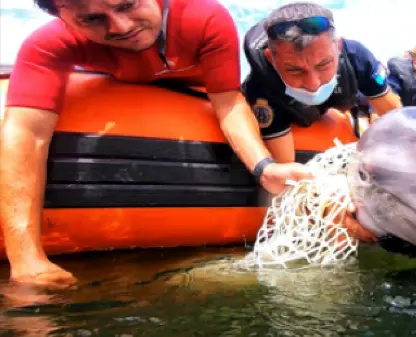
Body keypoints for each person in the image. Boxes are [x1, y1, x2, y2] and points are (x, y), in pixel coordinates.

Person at [0, 0, 313, 289]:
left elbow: (227, 102)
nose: (120, 27)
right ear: (62, 18)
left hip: (197, 95)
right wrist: (27, 259)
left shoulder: (202, 18)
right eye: (92, 19)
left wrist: (264, 168)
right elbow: (26, 133)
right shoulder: (49, 44)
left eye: (127, 4)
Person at [241, 2, 402, 163]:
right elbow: (286, 168)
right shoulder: (262, 86)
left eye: (324, 65)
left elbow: (398, 120)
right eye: (294, 70)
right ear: (271, 59)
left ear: (338, 47)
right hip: (289, 113)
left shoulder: (356, 57)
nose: (313, 84)